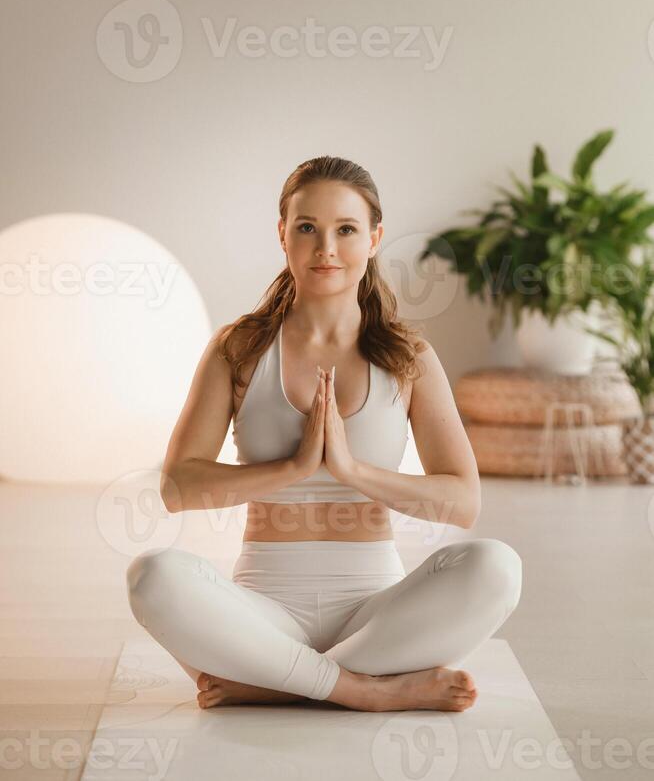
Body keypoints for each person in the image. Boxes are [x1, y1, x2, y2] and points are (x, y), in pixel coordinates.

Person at [126, 155, 522, 713]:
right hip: (264, 607)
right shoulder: (237, 348)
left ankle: (271, 683)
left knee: (497, 567)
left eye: (346, 230)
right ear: (282, 234)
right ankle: (363, 690)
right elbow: (177, 487)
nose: (326, 249)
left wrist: (353, 471)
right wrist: (291, 468)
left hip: (375, 611)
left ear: (375, 238)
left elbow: (463, 503)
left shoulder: (410, 358)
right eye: (307, 227)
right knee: (152, 575)